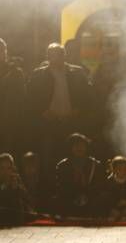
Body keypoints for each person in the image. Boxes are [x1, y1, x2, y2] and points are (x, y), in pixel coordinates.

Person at [28, 43, 92, 179]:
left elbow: (88, 96)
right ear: (48, 56)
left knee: (73, 156)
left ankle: (73, 185)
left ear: (64, 55)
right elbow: (30, 98)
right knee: (49, 156)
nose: (55, 58)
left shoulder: (77, 73)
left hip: (72, 122)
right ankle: (51, 187)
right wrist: (42, 111)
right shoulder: (38, 75)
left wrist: (78, 110)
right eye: (52, 55)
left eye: (58, 55)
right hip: (49, 123)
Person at [55, 133, 104, 218]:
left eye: (82, 145)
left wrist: (86, 193)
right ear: (71, 148)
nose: (79, 148)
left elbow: (99, 185)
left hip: (90, 196)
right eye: (76, 145)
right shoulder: (63, 165)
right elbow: (61, 185)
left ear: (86, 147)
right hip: (70, 196)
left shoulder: (95, 164)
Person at [0, 38, 26, 157]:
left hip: (9, 121)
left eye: (1, 50)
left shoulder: (15, 72)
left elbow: (21, 97)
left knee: (7, 153)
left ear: (5, 52)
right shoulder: (15, 71)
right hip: (8, 120)